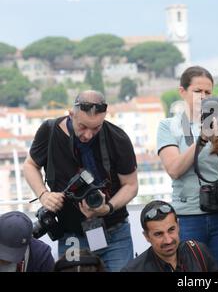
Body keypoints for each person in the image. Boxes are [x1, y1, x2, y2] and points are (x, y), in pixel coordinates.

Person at [23, 90, 138, 272]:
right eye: (83, 126)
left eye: (96, 128)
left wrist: (107, 208)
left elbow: (131, 185)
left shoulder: (117, 137)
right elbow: (30, 166)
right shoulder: (50, 131)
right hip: (72, 234)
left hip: (114, 231)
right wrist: (44, 195)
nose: (88, 135)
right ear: (71, 114)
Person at [157, 67, 218, 271]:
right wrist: (202, 139)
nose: (203, 97)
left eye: (208, 92)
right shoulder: (168, 125)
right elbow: (174, 169)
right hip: (189, 216)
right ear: (183, 92)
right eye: (198, 91)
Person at [121, 200, 218, 272]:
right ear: (146, 236)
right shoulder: (133, 270)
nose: (168, 240)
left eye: (171, 230)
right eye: (158, 234)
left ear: (178, 226)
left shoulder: (198, 251)